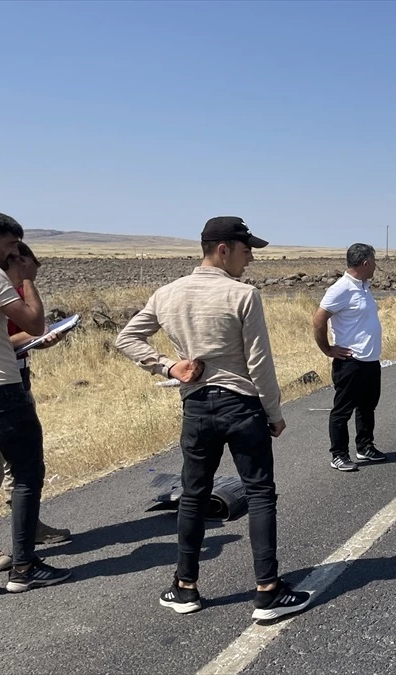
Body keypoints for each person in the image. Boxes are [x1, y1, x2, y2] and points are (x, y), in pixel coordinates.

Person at [115, 216, 311, 619]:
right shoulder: (242, 295)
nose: (251, 258)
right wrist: (274, 412)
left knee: (194, 495)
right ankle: (268, 589)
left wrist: (169, 367)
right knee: (259, 494)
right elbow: (259, 362)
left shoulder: (167, 293)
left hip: (198, 406)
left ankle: (185, 587)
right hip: (241, 405)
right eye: (246, 250)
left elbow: (127, 339)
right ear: (223, 249)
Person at [0, 209, 71, 602]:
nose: (14, 254)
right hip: (1, 392)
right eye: (11, 246)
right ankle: (26, 568)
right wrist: (26, 280)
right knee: (27, 476)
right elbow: (34, 323)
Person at [312, 243, 385, 473]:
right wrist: (328, 349)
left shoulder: (364, 286)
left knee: (367, 407)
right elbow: (318, 320)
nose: (376, 266)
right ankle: (338, 455)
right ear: (365, 263)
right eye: (374, 261)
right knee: (342, 411)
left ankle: (365, 447)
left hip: (370, 361)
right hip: (350, 363)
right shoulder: (341, 288)